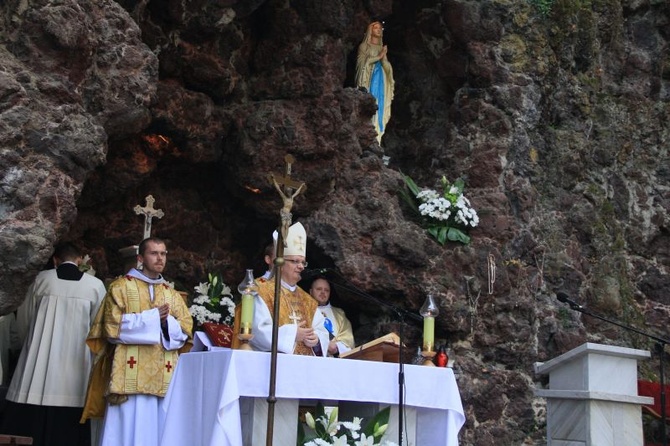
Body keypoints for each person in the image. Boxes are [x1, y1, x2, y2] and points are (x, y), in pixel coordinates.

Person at [80, 237, 192, 446]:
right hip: (128, 377)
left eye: (163, 253)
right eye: (154, 253)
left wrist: (167, 323)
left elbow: (185, 329)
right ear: (141, 258)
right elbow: (111, 327)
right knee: (128, 428)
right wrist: (151, 318)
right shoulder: (120, 287)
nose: (160, 258)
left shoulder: (170, 292)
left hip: (162, 374)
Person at [2, 242, 107, 446]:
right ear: (79, 261)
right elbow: (99, 328)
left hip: (36, 366)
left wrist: (29, 347)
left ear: (55, 260)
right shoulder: (95, 286)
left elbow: (24, 320)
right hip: (77, 368)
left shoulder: (40, 280)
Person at [250, 222, 329, 355]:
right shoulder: (261, 289)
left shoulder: (307, 299)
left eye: (303, 262)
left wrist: (316, 340)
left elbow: (321, 330)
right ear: (280, 263)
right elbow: (257, 331)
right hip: (273, 365)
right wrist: (292, 334)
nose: (301, 267)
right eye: (295, 261)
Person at [355, 20, 395, 143]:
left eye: (380, 28)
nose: (378, 30)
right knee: (370, 104)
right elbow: (361, 64)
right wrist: (379, 56)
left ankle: (378, 137)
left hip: (381, 81)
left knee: (381, 105)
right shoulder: (364, 46)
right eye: (375, 28)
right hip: (369, 80)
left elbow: (386, 66)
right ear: (370, 30)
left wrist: (383, 60)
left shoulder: (380, 48)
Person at [309, 277, 355, 357]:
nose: (323, 292)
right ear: (311, 292)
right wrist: (324, 343)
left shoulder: (339, 314)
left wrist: (337, 348)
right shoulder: (304, 310)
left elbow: (348, 340)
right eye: (319, 289)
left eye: (326, 290)